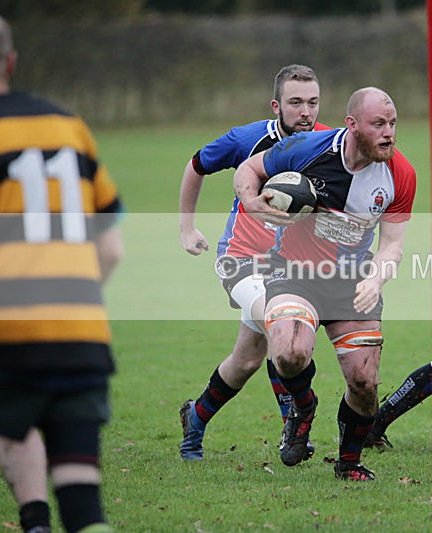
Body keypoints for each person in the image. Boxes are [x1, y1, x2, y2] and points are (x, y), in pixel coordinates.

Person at [0, 9, 124, 533]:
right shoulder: (70, 127)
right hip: (81, 338)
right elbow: (112, 249)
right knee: (82, 502)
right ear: (10, 61)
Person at [234, 87, 416, 481]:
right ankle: (304, 406)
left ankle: (348, 463)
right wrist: (250, 202)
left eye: (392, 124)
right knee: (289, 354)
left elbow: (393, 246)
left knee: (365, 383)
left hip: (352, 283)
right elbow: (248, 170)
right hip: (294, 274)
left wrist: (377, 277)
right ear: (352, 125)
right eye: (378, 124)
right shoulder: (308, 148)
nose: (389, 133)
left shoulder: (400, 174)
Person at [177, 64, 326, 461]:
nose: (305, 112)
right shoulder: (248, 139)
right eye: (295, 103)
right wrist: (186, 228)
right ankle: (295, 425)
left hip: (290, 267)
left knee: (246, 360)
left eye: (312, 102)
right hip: (241, 260)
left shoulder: (327, 142)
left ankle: (195, 418)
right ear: (277, 105)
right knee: (283, 328)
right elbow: (196, 165)